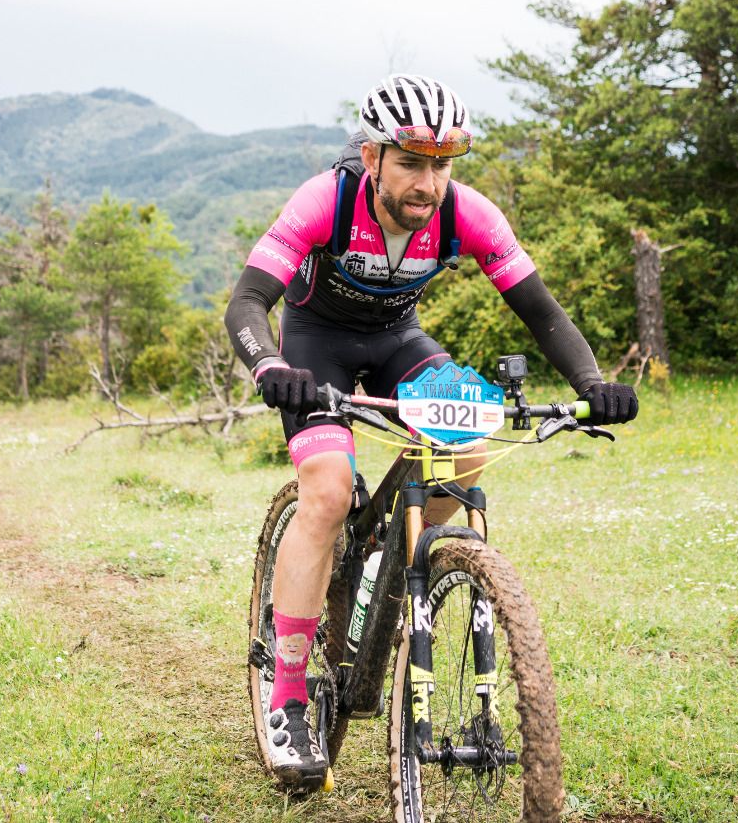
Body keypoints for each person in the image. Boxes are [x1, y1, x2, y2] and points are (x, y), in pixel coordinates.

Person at [223, 74, 639, 786]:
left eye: (443, 164)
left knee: (469, 441)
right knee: (325, 492)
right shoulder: (327, 201)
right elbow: (248, 301)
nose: (430, 182)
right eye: (413, 161)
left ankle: (400, 564)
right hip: (315, 344)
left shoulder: (465, 214)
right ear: (373, 155)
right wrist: (269, 367)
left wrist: (590, 384)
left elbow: (541, 311)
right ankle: (289, 692)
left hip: (399, 342)